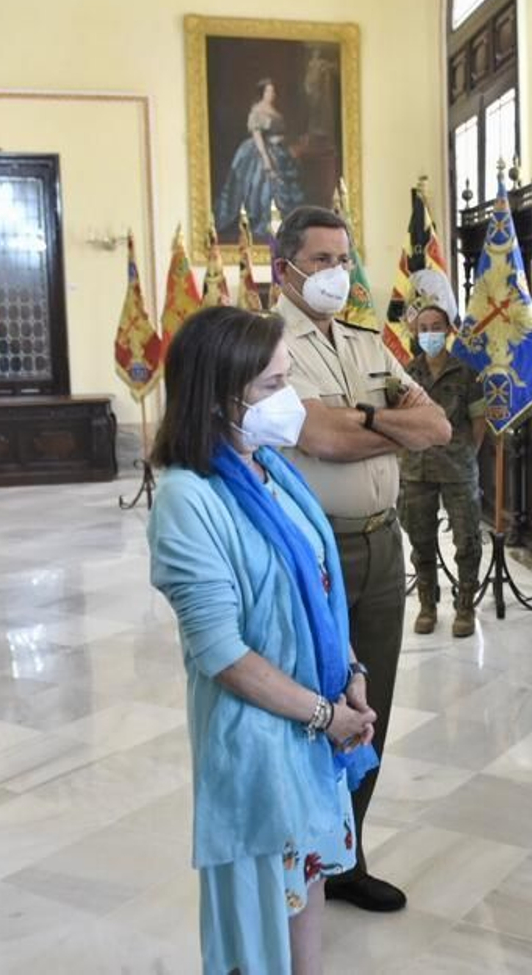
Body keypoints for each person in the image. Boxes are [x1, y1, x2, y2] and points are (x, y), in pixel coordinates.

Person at [148, 305, 377, 974]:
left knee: (307, 890)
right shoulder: (189, 500)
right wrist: (325, 715)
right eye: (272, 386)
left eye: (288, 378)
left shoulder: (271, 470)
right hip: (259, 747)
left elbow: (321, 588)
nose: (291, 400)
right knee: (258, 932)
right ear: (218, 396)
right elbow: (222, 654)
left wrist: (351, 671)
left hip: (310, 737)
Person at [274, 204, 451, 913]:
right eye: (321, 261)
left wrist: (363, 421)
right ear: (284, 268)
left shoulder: (366, 340)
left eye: (343, 259)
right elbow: (320, 439)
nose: (337, 274)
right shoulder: (269, 345)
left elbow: (434, 424)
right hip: (314, 547)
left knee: (369, 704)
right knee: (318, 703)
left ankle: (347, 854)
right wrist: (381, 426)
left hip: (384, 540)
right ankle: (303, 862)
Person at [398, 302, 487, 638]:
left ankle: (465, 606)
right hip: (416, 469)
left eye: (437, 327)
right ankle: (427, 605)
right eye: (424, 328)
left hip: (458, 469)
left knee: (467, 540)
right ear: (415, 332)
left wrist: (464, 454)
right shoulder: (405, 374)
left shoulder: (466, 374)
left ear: (449, 331)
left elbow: (478, 422)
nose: (431, 333)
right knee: (421, 541)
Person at [215, 78, 305, 235]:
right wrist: (266, 161)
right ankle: (264, 222)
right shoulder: (257, 111)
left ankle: (284, 225)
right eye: (269, 91)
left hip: (279, 152)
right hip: (261, 152)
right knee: (264, 186)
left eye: (273, 91)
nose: (272, 94)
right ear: (262, 93)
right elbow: (257, 136)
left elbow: (280, 133)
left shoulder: (273, 110)